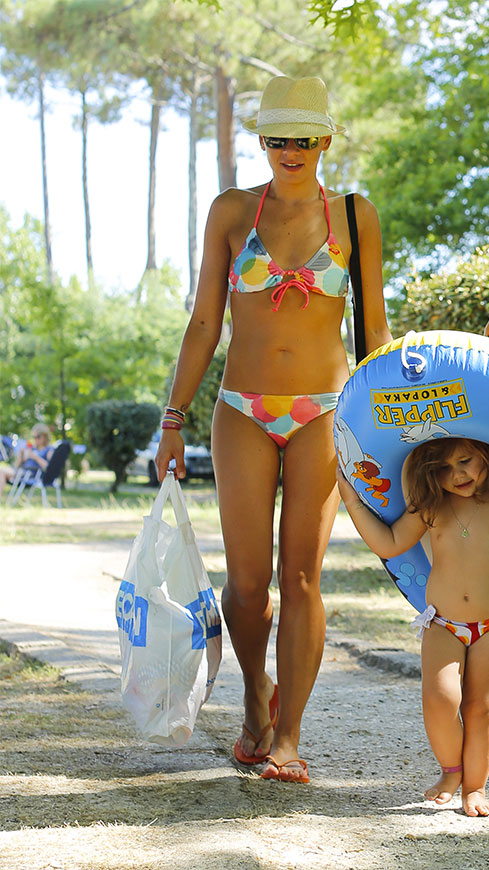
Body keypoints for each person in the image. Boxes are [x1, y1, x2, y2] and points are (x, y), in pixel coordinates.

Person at [155, 76, 391, 784]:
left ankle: (288, 737)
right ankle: (257, 697)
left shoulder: (355, 215)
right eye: (278, 138)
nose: (291, 150)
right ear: (263, 141)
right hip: (241, 411)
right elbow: (205, 321)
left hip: (326, 407)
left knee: (302, 578)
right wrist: (172, 417)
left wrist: (392, 428)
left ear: (325, 139)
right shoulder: (231, 211)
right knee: (249, 584)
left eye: (304, 138)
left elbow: (373, 329)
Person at [335, 417, 489, 815]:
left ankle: (476, 787)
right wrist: (351, 503)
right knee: (439, 698)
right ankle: (451, 770)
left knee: (481, 708)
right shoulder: (433, 506)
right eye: (445, 469)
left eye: (466, 461)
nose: (458, 474)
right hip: (443, 623)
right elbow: (389, 541)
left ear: (487, 455)